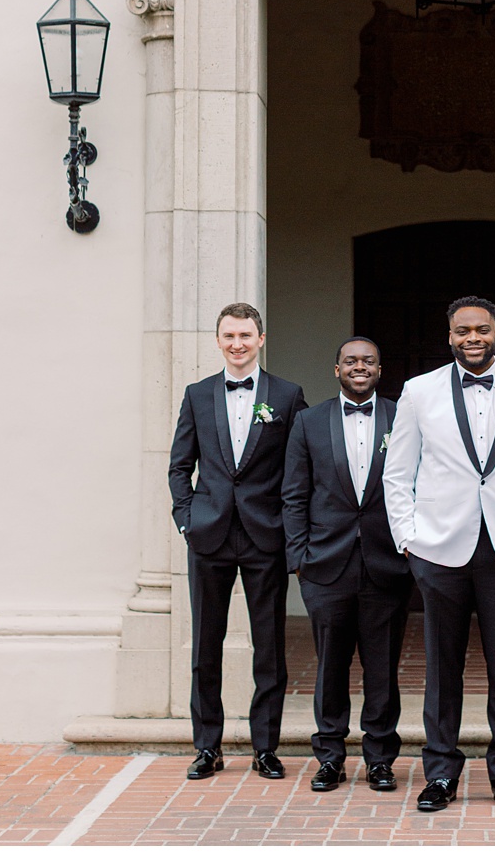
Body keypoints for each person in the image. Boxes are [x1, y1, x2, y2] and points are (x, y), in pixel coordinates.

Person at [383, 296, 495, 814]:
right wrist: (409, 539)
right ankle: (440, 772)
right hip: (439, 548)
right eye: (463, 330)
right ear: (449, 336)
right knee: (441, 668)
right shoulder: (419, 392)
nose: (472, 338)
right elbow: (398, 473)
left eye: (481, 329)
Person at [167, 303, 306, 782]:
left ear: (261, 339)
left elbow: (299, 469)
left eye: (246, 335)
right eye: (229, 335)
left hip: (265, 537)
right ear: (219, 340)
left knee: (269, 649)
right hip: (209, 537)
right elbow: (179, 465)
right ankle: (207, 747)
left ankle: (265, 748)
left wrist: (292, 531)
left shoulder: (287, 397)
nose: (237, 343)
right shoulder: (198, 394)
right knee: (206, 647)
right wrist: (187, 519)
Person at [281, 335, 411, 793]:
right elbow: (294, 495)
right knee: (330, 668)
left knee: (383, 669)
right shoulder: (308, 422)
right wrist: (298, 557)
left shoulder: (403, 417)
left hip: (387, 566)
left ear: (380, 369)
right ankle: (330, 756)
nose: (360, 367)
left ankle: (379, 758)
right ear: (336, 369)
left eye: (368, 361)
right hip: (325, 567)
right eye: (351, 361)